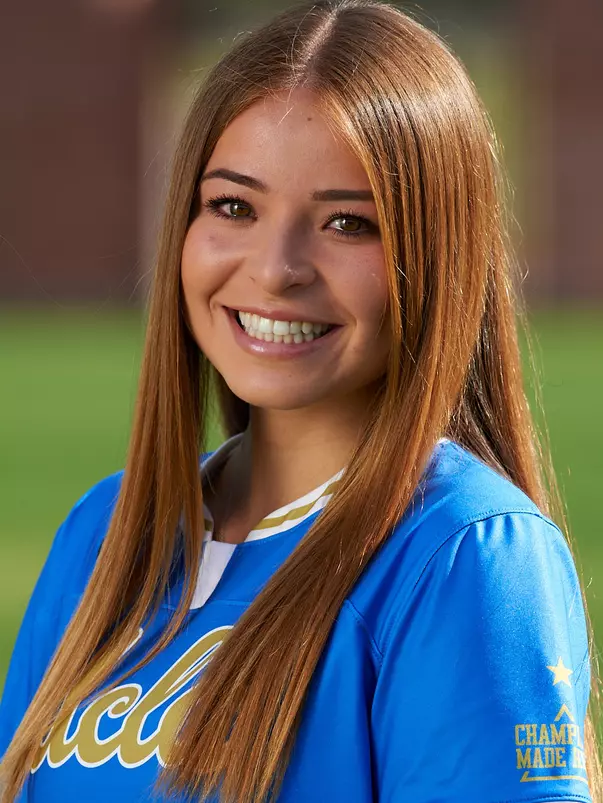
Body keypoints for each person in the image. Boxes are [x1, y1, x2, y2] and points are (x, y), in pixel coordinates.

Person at [0, 0, 600, 801]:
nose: (276, 266)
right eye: (234, 207)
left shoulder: (466, 555)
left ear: (436, 255)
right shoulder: (104, 534)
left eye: (348, 223)